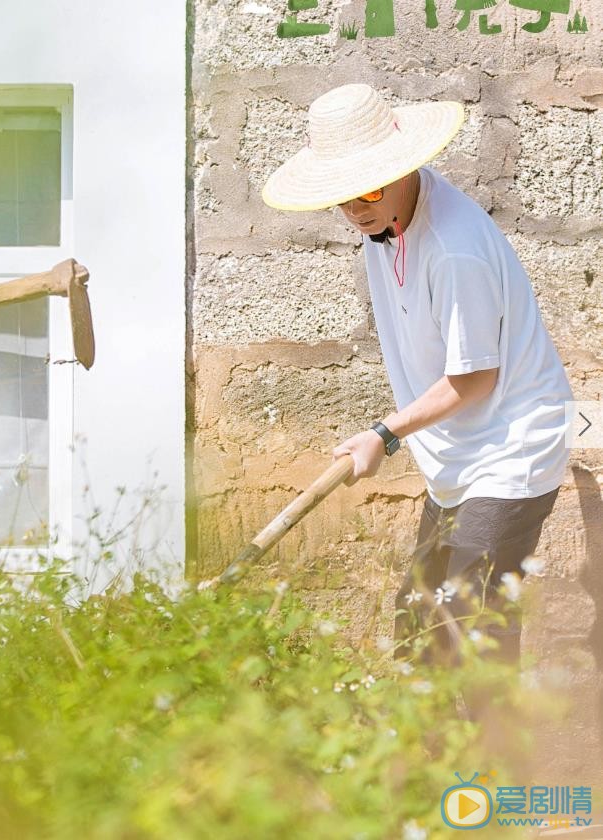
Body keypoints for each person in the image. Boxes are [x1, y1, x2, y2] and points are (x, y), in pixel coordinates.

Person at [261, 83, 573, 690]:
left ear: (405, 170)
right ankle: (424, 774)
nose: (357, 209)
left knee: (468, 633)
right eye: (344, 197)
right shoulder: (385, 222)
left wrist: (384, 434)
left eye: (370, 190)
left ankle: (486, 776)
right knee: (418, 630)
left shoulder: (454, 249)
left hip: (512, 446)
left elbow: (476, 379)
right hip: (459, 453)